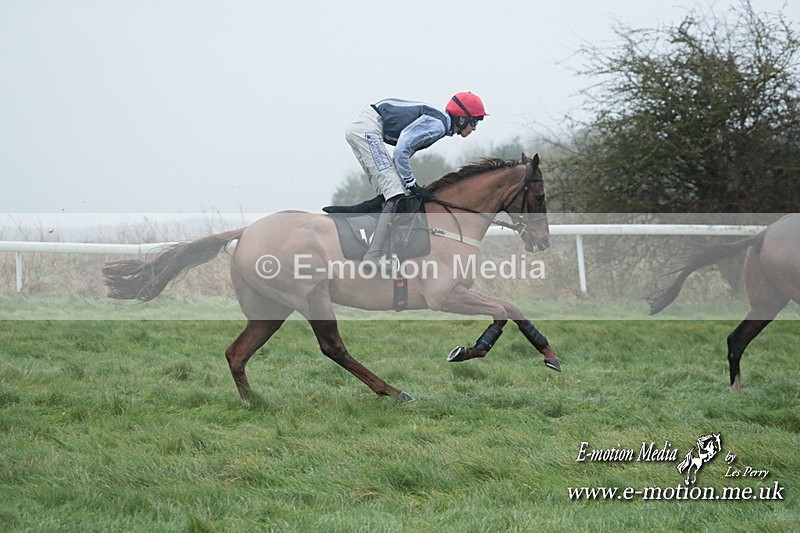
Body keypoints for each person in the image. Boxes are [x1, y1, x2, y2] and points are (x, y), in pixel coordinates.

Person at [345, 92, 488, 264]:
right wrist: (413, 185)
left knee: (392, 195)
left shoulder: (439, 122)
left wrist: (409, 185)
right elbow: (400, 152)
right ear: (462, 119)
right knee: (397, 195)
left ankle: (382, 250)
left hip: (366, 128)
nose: (474, 128)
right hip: (368, 129)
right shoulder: (439, 126)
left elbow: (401, 151)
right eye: (474, 121)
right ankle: (373, 255)